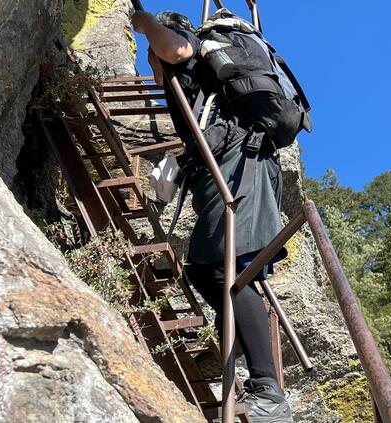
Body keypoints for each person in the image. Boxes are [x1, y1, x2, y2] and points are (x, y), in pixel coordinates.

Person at [131, 10, 293, 423]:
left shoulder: (185, 45)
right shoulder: (198, 81)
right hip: (222, 167)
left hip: (242, 163)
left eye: (146, 55)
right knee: (205, 270)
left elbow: (176, 47)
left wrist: (146, 23)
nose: (149, 62)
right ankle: (234, 342)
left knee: (232, 271)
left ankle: (268, 393)